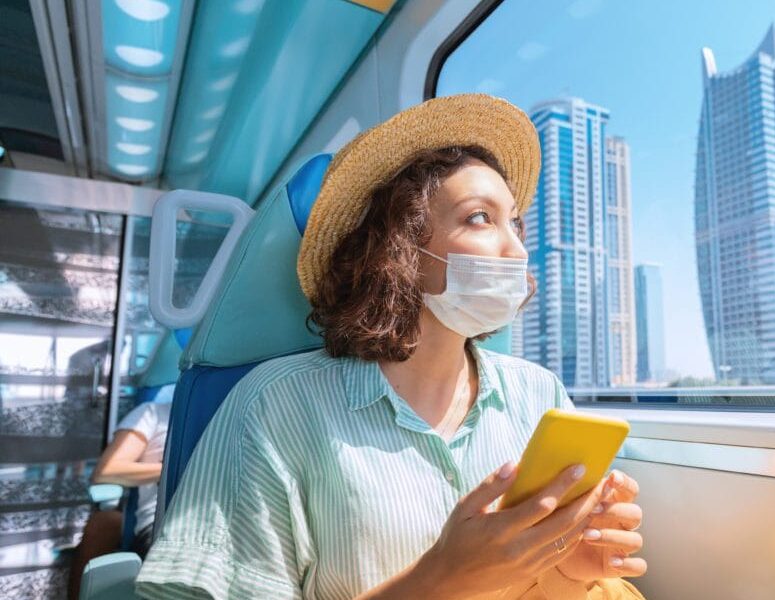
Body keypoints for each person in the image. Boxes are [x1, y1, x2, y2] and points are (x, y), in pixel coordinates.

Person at [136, 94, 647, 599]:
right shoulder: (274, 406)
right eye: (479, 218)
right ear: (400, 248)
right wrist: (438, 581)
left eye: (514, 222)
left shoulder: (541, 393)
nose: (516, 249)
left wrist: (568, 575)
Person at [68, 387, 173, 600]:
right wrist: (170, 469)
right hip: (161, 524)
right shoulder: (152, 413)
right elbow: (106, 471)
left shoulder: (230, 421)